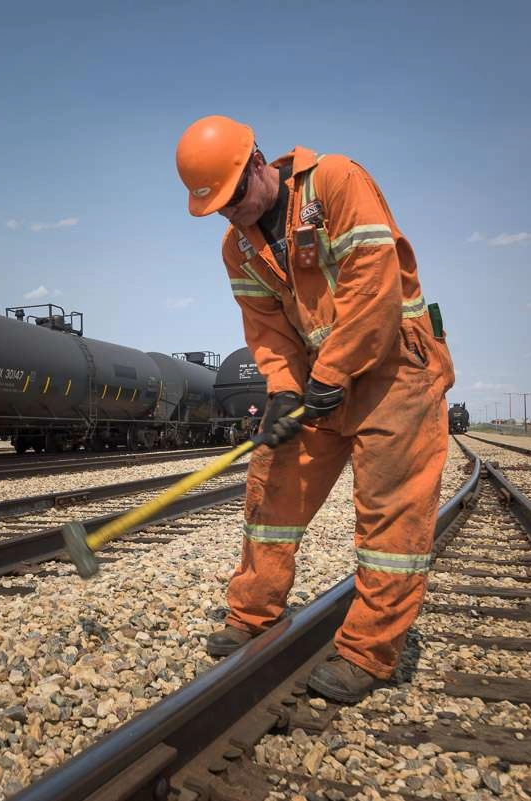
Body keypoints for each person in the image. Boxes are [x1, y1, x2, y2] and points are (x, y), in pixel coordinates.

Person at [175, 115, 454, 702]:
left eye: (233, 197)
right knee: (273, 488)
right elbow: (267, 328)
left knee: (389, 525)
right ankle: (253, 613)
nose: (231, 213)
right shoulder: (238, 248)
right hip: (326, 376)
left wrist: (329, 372)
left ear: (257, 163)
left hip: (395, 370)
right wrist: (282, 386)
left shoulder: (335, 182)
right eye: (218, 208)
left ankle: (367, 654)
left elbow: (373, 289)